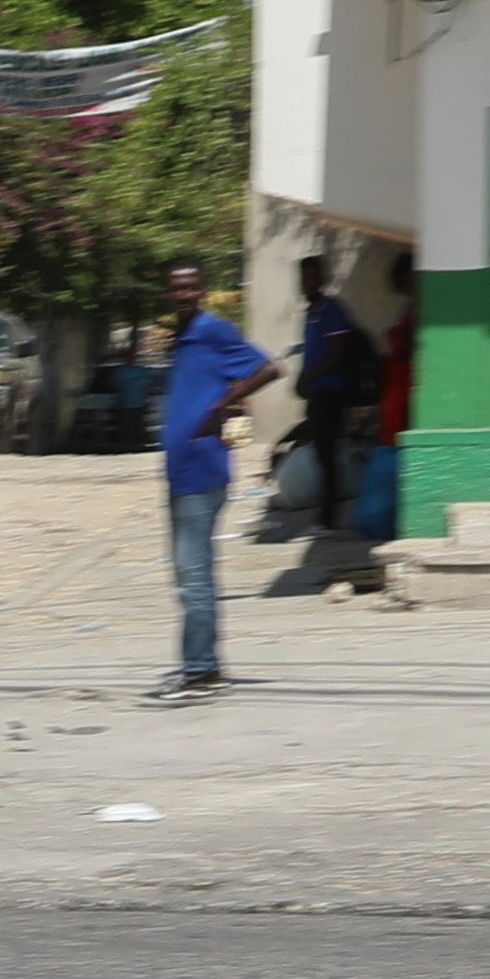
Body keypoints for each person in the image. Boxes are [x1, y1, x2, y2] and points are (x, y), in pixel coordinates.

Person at [150, 262, 275, 697]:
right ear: (168, 293)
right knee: (188, 573)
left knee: (194, 572)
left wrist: (221, 406)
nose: (183, 293)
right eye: (175, 287)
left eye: (190, 287)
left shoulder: (211, 330)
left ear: (201, 290)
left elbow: (268, 368)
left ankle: (202, 670)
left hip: (202, 470)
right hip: (182, 472)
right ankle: (197, 664)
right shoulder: (183, 338)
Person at [259, 251, 391, 598]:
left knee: (329, 456)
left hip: (332, 393)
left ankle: (330, 522)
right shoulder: (311, 313)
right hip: (318, 395)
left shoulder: (332, 309)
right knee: (320, 454)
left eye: (312, 277)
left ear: (322, 278)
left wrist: (309, 375)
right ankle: (326, 517)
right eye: (302, 279)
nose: (306, 284)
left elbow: (336, 350)